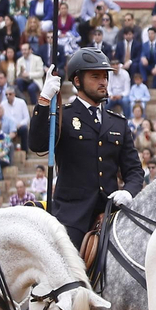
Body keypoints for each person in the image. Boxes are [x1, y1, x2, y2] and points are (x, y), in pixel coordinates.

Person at [27, 46, 143, 250]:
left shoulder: (118, 123)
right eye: (95, 76)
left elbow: (134, 171)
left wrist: (128, 192)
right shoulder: (63, 116)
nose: (103, 82)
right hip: (73, 216)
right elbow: (37, 144)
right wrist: (44, 101)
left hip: (111, 212)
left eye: (105, 77)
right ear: (77, 81)